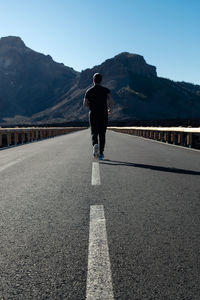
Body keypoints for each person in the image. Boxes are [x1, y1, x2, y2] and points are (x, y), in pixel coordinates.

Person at [83, 73, 113, 160]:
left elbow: (85, 104)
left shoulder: (89, 91)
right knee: (102, 134)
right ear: (101, 80)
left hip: (93, 114)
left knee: (94, 132)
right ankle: (101, 153)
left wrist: (90, 103)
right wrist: (110, 110)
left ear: (93, 80)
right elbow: (111, 101)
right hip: (103, 114)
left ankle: (95, 144)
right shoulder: (106, 90)